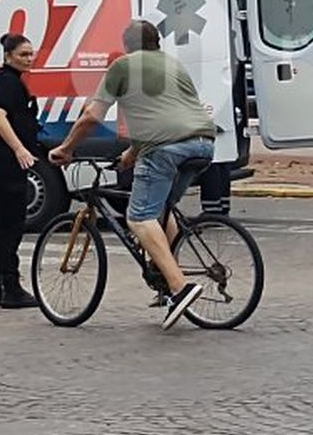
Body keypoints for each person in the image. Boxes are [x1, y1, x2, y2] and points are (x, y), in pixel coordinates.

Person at [49, 20, 215, 331]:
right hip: (203, 145)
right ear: (157, 43)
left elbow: (91, 116)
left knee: (139, 218)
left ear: (127, 46)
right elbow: (162, 116)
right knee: (162, 210)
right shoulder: (173, 65)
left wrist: (67, 149)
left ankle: (180, 288)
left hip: (165, 150)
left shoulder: (122, 67)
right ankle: (167, 279)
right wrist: (129, 156)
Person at [0, 33, 41, 310]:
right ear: (8, 56)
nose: (29, 59)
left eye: (31, 54)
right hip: (5, 164)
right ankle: (10, 287)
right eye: (23, 54)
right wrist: (19, 149)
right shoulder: (7, 83)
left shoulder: (6, 81)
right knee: (10, 225)